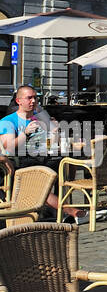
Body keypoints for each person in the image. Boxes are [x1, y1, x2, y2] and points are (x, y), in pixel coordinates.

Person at [0, 85, 74, 220]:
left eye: (35, 98)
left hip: (45, 158)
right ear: (19, 101)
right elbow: (9, 147)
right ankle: (72, 212)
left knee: (67, 167)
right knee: (41, 183)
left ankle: (60, 212)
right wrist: (25, 133)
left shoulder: (39, 118)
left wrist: (54, 131)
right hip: (21, 162)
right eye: (29, 98)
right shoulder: (8, 121)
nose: (33, 101)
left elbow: (53, 142)